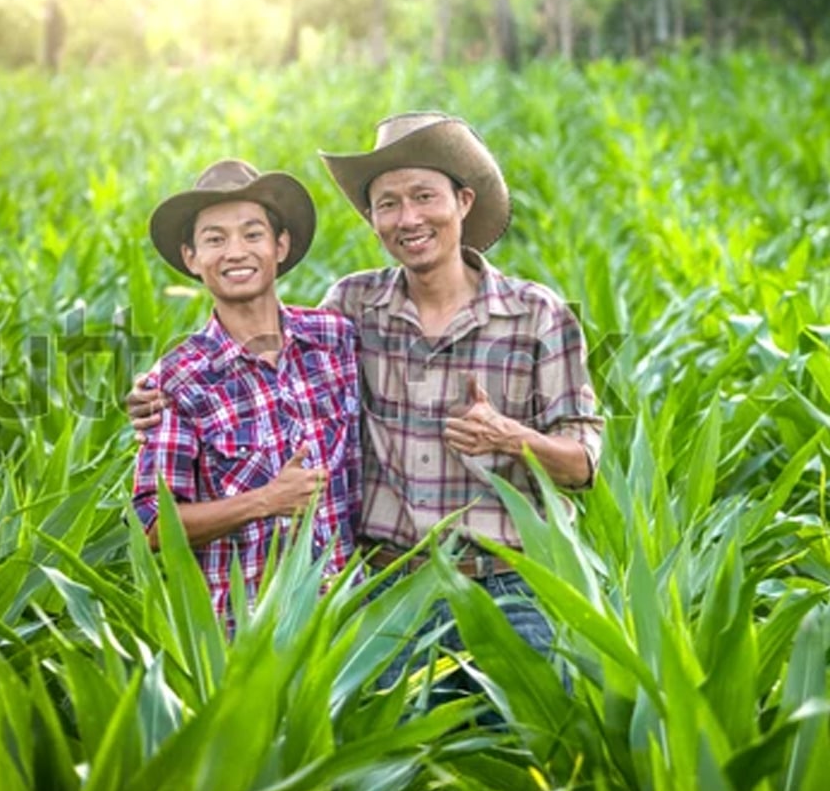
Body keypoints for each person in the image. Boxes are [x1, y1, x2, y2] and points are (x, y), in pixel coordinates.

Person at [130, 114, 602, 693]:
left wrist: (511, 437)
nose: (408, 218)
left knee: (532, 750)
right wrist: (155, 395)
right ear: (373, 219)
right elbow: (256, 351)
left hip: (508, 588)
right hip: (386, 594)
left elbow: (584, 467)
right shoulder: (350, 310)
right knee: (395, 765)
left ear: (463, 201)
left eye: (424, 197)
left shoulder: (537, 315)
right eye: (387, 203)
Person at [131, 159, 362, 632]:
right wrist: (267, 500)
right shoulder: (177, 381)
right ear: (192, 258)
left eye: (252, 234)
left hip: (353, 622)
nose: (236, 251)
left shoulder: (337, 340)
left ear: (280, 246)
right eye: (215, 239)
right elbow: (152, 524)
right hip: (248, 634)